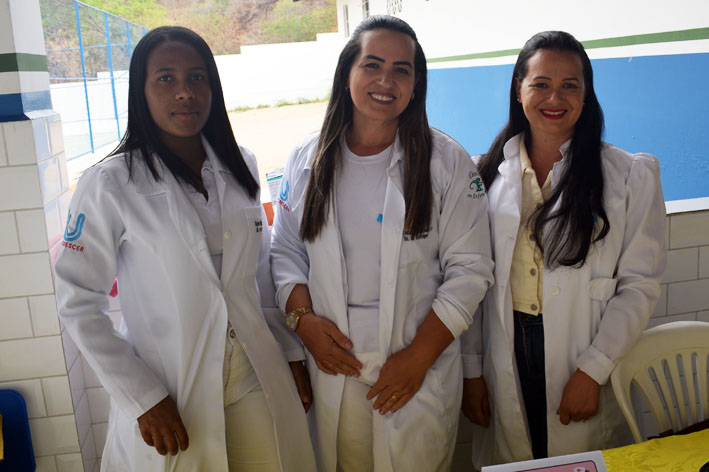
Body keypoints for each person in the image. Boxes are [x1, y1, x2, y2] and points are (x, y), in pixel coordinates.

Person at [54, 26, 316, 471]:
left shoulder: (241, 164)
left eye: (197, 77)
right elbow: (78, 302)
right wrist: (142, 396)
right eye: (166, 79)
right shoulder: (109, 183)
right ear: (141, 91)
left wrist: (290, 353)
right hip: (172, 385)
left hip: (255, 374)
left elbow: (260, 274)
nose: (184, 92)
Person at [270, 15, 494, 471]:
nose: (385, 81)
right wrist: (303, 321)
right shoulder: (307, 158)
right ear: (347, 73)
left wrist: (418, 358)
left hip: (417, 369)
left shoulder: (446, 161)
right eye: (372, 65)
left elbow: (470, 270)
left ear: (416, 84)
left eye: (401, 70)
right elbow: (286, 250)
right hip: (334, 367)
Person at [460, 30, 667, 468]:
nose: (555, 98)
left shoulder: (629, 176)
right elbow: (473, 283)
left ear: (586, 93)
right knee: (516, 455)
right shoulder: (485, 175)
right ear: (519, 89)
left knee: (581, 458)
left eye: (569, 85)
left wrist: (594, 369)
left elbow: (639, 287)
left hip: (584, 349)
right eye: (541, 84)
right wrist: (472, 371)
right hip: (505, 347)